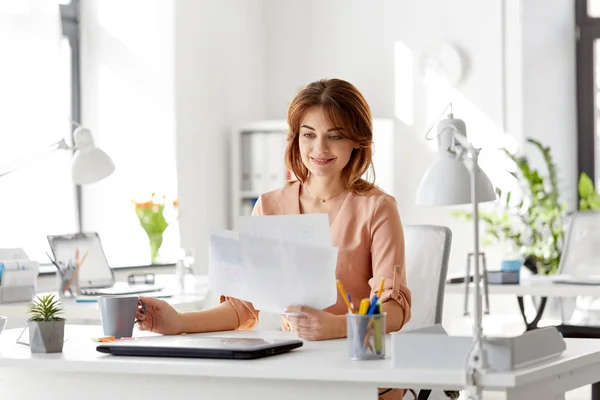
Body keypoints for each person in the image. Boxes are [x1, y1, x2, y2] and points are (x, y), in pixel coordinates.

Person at [136, 78, 412, 400]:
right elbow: (242, 309)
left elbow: (394, 310)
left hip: (361, 369)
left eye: (334, 136)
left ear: (357, 141)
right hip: (294, 367)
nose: (319, 148)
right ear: (296, 139)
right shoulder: (268, 206)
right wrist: (178, 321)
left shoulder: (377, 208)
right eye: (309, 135)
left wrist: (335, 327)